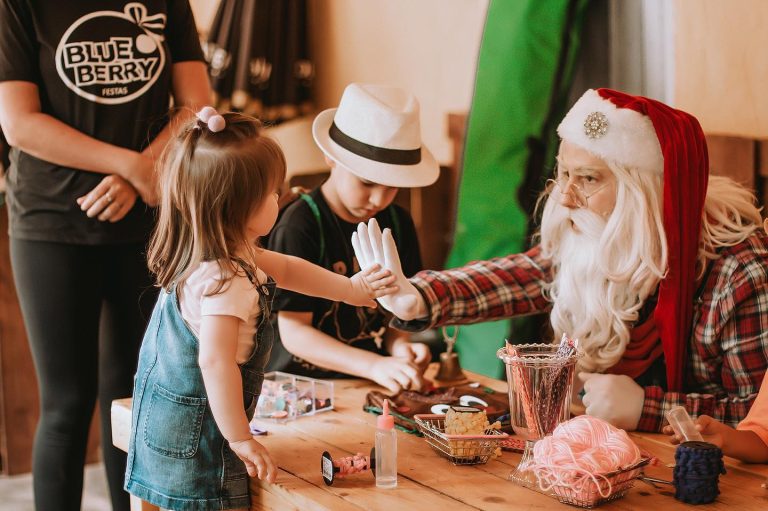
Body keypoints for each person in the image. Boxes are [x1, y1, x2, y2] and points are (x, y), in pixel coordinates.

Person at [352, 88, 768, 432]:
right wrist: (420, 298)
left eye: (588, 178)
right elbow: (525, 276)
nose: (565, 197)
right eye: (563, 174)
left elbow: (755, 423)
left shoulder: (736, 272)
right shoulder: (602, 234)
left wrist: (651, 408)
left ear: (644, 191)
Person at [125, 109, 395, 511]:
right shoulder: (227, 280)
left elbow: (287, 268)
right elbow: (215, 362)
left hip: (162, 423)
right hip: (202, 436)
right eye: (273, 193)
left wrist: (350, 289)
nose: (280, 198)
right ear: (239, 207)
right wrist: (239, 438)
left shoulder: (214, 254)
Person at [0, 2, 211, 510]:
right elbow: (19, 123)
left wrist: (139, 176)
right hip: (52, 223)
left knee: (133, 397)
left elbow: (196, 105)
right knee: (65, 404)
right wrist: (132, 167)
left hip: (146, 222)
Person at [266, 83, 439, 393]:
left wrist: (401, 349)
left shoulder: (398, 223)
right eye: (367, 182)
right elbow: (294, 332)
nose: (379, 199)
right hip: (303, 387)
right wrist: (372, 365)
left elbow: (395, 317)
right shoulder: (299, 225)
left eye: (392, 186)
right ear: (331, 158)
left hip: (372, 383)